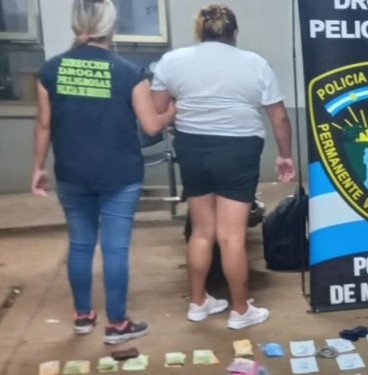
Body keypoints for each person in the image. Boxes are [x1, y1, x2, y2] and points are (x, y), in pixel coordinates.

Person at [32, 0, 175, 345]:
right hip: (119, 174)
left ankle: (83, 317)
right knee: (115, 249)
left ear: (76, 25)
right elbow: (151, 126)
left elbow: (44, 124)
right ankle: (117, 324)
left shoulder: (50, 70)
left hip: (72, 172)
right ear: (112, 27)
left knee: (80, 245)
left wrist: (37, 167)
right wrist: (174, 110)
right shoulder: (128, 72)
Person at [152, 4, 295, 330]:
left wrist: (185, 108)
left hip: (192, 147)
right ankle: (240, 310)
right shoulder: (255, 63)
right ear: (235, 33)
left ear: (199, 31)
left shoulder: (172, 61)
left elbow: (158, 108)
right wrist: (285, 155)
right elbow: (279, 117)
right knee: (232, 236)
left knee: (202, 231)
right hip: (238, 150)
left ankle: (198, 303)